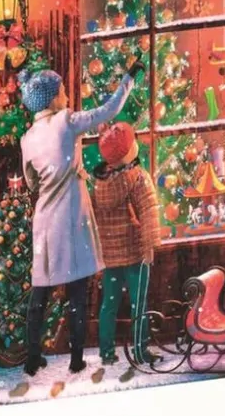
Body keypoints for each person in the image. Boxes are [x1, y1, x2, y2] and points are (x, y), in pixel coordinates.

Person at [19, 62, 144, 376]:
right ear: (52, 98)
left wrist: (52, 177)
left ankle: (32, 357)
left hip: (45, 220)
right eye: (62, 90)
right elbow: (108, 110)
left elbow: (31, 182)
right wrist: (128, 78)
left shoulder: (28, 138)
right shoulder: (67, 121)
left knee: (40, 289)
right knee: (77, 289)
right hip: (72, 216)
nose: (65, 95)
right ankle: (76, 358)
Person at [90, 122, 160, 367]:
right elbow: (149, 212)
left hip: (110, 256)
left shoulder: (99, 184)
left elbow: (94, 219)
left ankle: (107, 352)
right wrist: (150, 245)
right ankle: (140, 350)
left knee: (109, 304)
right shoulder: (139, 178)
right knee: (138, 303)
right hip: (135, 252)